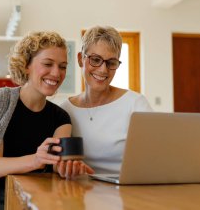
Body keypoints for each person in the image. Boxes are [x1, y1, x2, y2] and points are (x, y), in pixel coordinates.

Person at [0, 31, 93, 210]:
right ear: (25, 65)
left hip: (39, 199)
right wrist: (36, 159)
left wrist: (68, 167)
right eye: (48, 64)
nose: (56, 73)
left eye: (63, 66)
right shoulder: (0, 102)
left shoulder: (61, 117)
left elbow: (57, 165)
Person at [61, 26, 153, 174]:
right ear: (80, 59)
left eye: (111, 63)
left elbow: (155, 155)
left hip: (127, 191)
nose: (103, 70)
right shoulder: (65, 110)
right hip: (82, 191)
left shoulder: (135, 104)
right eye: (95, 59)